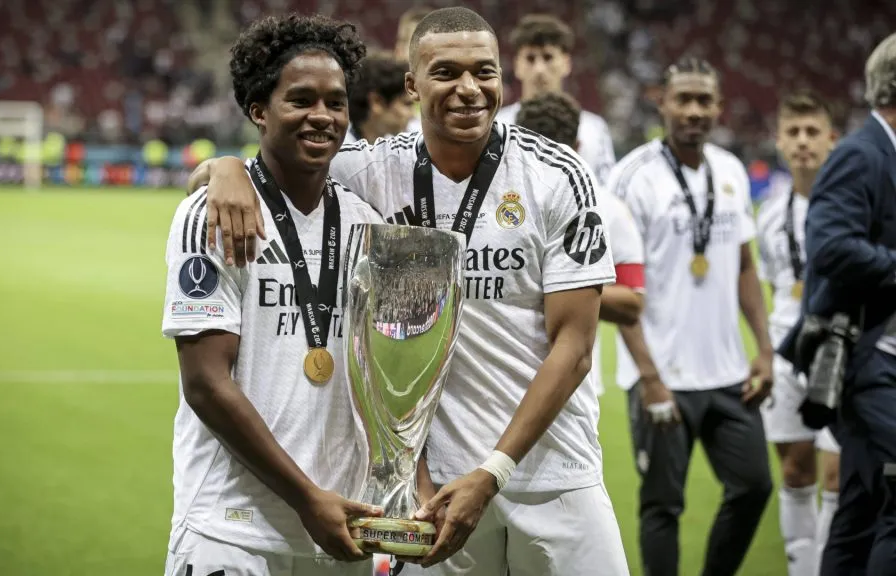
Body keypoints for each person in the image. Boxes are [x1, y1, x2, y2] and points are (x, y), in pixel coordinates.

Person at [191, 7, 630, 575]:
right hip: (435, 494)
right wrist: (224, 166)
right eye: (446, 72)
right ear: (411, 83)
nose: (469, 89)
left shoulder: (557, 174)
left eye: (485, 72)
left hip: (551, 472)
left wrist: (494, 470)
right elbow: (275, 163)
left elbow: (574, 346)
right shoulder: (370, 169)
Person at [160, 14, 387, 576]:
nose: (323, 117)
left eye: (336, 103)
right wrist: (306, 497)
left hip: (337, 525)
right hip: (231, 528)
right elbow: (206, 385)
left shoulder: (366, 224)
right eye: (301, 100)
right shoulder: (210, 217)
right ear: (259, 110)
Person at [606, 57, 775, 576]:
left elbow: (745, 265)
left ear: (719, 107)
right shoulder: (631, 176)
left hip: (728, 374)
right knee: (663, 505)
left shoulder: (729, 169)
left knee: (753, 486)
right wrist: (650, 379)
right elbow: (615, 287)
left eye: (705, 100)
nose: (695, 110)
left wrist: (764, 351)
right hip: (662, 378)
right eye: (685, 99)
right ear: (663, 102)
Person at [785, 32, 896, 576]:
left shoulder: (880, 152)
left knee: (858, 510)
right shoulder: (860, 153)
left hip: (878, 356)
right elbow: (828, 246)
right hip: (862, 358)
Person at [754, 89, 841, 576]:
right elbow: (773, 285)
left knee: (836, 474)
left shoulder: (853, 204)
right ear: (780, 141)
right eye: (794, 132)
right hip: (787, 354)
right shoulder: (768, 213)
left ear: (832, 139)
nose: (804, 141)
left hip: (838, 353)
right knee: (795, 471)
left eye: (813, 132)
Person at [516, 92, 646, 398]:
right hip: (503, 383)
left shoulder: (605, 208)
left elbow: (632, 302)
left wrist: (562, 285)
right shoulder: (497, 207)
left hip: (574, 389)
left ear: (577, 149)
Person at [494, 14, 617, 185]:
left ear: (566, 63)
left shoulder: (594, 130)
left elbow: (605, 193)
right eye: (530, 58)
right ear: (517, 66)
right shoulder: (498, 127)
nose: (539, 69)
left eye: (548, 57)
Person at [344, 53, 416, 145]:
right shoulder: (340, 151)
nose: (412, 115)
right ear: (377, 102)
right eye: (407, 104)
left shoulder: (394, 148)